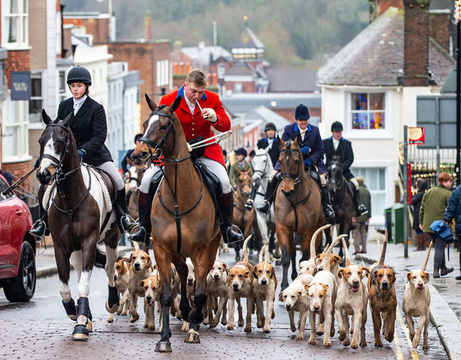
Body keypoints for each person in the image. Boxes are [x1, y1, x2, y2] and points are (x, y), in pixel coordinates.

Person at [130, 68, 243, 244]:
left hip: (204, 150)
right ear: (185, 86)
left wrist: (214, 118)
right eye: (193, 91)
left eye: (200, 92)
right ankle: (144, 228)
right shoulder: (168, 100)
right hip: (172, 153)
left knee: (224, 181)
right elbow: (159, 127)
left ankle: (227, 228)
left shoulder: (212, 99)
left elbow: (226, 125)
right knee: (146, 181)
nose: (196, 96)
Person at [30, 66, 135, 237]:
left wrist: (83, 151)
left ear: (86, 86)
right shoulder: (64, 106)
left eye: (79, 85)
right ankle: (43, 222)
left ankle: (123, 217)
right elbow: (56, 132)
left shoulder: (96, 108)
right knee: (45, 186)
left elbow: (100, 136)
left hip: (95, 157)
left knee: (117, 180)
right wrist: (44, 158)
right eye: (72, 86)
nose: (75, 89)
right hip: (68, 159)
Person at [256, 104, 335, 220]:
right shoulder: (288, 129)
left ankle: (326, 207)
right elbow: (282, 148)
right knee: (272, 176)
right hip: (290, 163)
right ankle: (267, 202)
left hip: (311, 163)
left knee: (322, 179)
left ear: (308, 119)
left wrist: (309, 160)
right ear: (296, 120)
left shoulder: (315, 130)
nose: (303, 122)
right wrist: (302, 150)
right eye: (301, 120)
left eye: (305, 120)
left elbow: (320, 150)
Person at [323, 121, 364, 216]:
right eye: (336, 132)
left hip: (343, 172)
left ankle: (358, 206)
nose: (338, 134)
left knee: (355, 184)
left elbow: (350, 159)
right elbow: (322, 157)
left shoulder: (347, 144)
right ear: (332, 132)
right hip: (329, 172)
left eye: (339, 132)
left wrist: (341, 168)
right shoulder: (325, 143)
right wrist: (326, 170)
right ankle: (322, 206)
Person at [419, 172, 453, 278]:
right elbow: (451, 209)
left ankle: (443, 268)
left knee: (438, 244)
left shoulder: (428, 192)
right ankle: (436, 270)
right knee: (439, 247)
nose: (450, 184)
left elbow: (422, 208)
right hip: (440, 225)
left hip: (428, 224)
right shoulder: (448, 194)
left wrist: (421, 222)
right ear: (444, 182)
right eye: (449, 181)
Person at [352, 176, 371, 254]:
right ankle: (364, 248)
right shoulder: (367, 191)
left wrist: (353, 215)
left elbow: (353, 204)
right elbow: (369, 205)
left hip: (357, 215)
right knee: (363, 232)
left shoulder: (356, 191)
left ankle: (357, 249)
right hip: (365, 215)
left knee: (356, 233)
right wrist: (369, 216)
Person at [411, 178, 430, 251]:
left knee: (418, 229)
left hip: (418, 213)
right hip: (421, 213)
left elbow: (412, 201)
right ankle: (422, 246)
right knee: (421, 229)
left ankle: (420, 246)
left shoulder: (420, 194)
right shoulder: (424, 194)